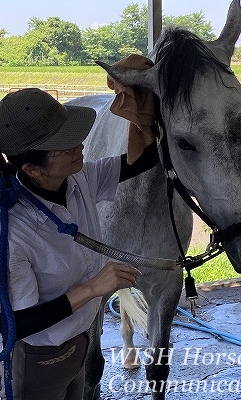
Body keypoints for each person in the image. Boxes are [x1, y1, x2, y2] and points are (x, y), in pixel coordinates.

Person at [0, 88, 159, 400]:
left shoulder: (79, 178)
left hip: (83, 341)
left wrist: (138, 114)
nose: (80, 145)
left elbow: (142, 161)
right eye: (65, 145)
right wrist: (92, 288)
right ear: (32, 168)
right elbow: (15, 324)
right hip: (40, 358)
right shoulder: (14, 231)